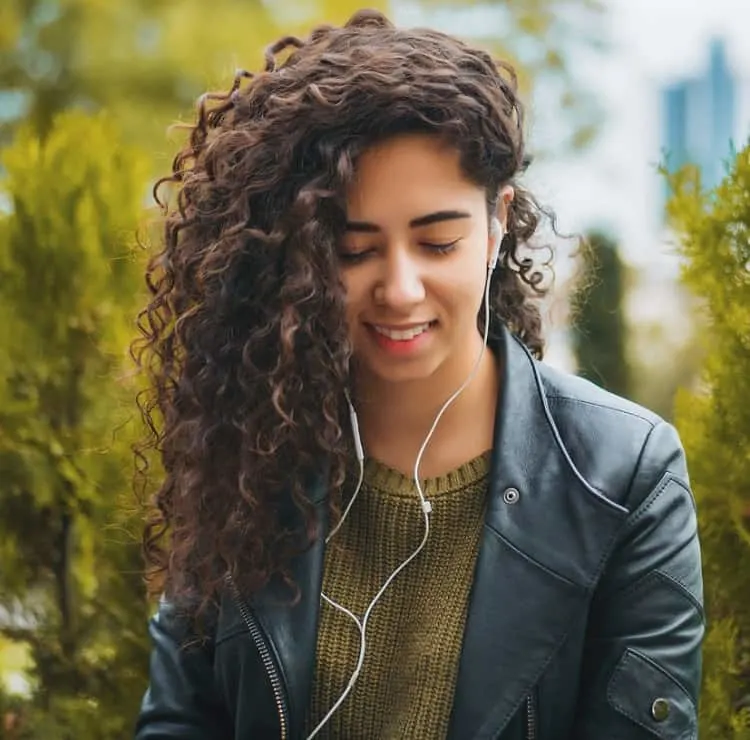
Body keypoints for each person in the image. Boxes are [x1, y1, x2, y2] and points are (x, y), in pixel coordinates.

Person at [132, 9, 704, 740]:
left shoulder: (626, 478)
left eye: (437, 243)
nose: (400, 288)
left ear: (497, 224)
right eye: (354, 249)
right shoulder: (247, 449)